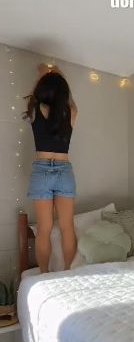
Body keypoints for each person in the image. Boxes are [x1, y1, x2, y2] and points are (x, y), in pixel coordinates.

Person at [24, 64, 78, 272]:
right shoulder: (71, 112)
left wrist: (43, 75)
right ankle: (67, 273)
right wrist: (58, 73)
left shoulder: (35, 109)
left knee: (44, 229)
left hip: (41, 170)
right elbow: (70, 96)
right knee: (67, 227)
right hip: (64, 170)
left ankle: (44, 274)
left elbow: (33, 95)